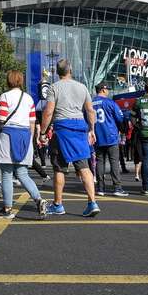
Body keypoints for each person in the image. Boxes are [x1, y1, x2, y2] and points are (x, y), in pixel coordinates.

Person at [39, 59, 101, 217]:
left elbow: (48, 111)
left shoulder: (54, 87)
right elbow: (90, 111)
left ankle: (58, 204)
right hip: (80, 127)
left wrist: (43, 132)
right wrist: (92, 129)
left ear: (57, 72)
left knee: (59, 168)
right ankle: (92, 202)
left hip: (62, 129)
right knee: (84, 167)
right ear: (70, 70)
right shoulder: (82, 87)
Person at [0, 70, 48, 219]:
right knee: (23, 174)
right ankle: (39, 199)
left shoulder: (5, 96)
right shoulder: (29, 98)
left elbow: (1, 118)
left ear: (8, 81)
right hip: (25, 135)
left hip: (8, 134)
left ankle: (7, 209)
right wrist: (30, 140)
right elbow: (32, 122)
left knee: (6, 174)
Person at [92, 82, 127, 197]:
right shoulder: (110, 102)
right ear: (103, 90)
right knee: (114, 162)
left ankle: (100, 188)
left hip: (97, 136)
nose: (108, 91)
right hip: (111, 136)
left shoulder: (91, 103)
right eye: (107, 89)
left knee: (99, 162)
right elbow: (120, 118)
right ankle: (117, 187)